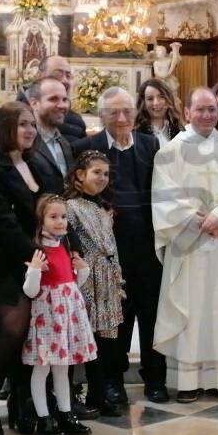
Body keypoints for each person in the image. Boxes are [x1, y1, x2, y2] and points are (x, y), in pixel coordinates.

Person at [151, 87, 218, 403]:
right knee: (192, 307)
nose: (207, 115)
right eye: (200, 109)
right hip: (189, 246)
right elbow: (164, 196)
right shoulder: (169, 153)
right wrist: (200, 222)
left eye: (212, 109)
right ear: (187, 112)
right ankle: (189, 381)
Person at [73, 87, 169, 404]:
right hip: (107, 253)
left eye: (127, 111)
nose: (122, 118)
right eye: (114, 112)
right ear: (102, 117)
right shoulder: (87, 147)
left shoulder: (149, 144)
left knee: (152, 314)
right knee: (115, 318)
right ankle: (112, 380)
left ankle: (155, 378)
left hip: (148, 247)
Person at [0, 102, 44, 435]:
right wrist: (35, 256)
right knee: (12, 331)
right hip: (6, 260)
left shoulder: (34, 163)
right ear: (4, 129)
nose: (30, 130)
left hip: (36, 261)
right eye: (22, 125)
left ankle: (20, 401)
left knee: (30, 333)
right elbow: (3, 222)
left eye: (32, 124)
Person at [22, 195, 96, 435]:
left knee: (63, 370)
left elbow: (73, 283)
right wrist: (33, 271)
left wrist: (82, 269)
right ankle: (44, 418)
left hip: (69, 316)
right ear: (41, 220)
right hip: (48, 318)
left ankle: (66, 413)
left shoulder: (65, 247)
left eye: (63, 217)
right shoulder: (39, 251)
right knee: (42, 369)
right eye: (53, 217)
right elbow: (31, 291)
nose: (60, 221)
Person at [65, 151, 127, 417]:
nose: (102, 178)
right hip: (85, 279)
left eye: (105, 173)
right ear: (80, 175)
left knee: (105, 340)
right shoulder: (71, 206)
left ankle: (98, 392)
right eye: (96, 173)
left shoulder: (102, 207)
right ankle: (72, 395)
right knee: (84, 336)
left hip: (106, 278)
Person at [27, 76, 75, 194]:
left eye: (64, 100)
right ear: (34, 104)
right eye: (53, 99)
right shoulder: (25, 142)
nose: (62, 105)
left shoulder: (64, 143)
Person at [24, 56, 88, 143]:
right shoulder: (15, 117)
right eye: (58, 74)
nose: (65, 80)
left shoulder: (77, 121)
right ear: (39, 76)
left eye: (68, 76)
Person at [136, 78, 184, 147]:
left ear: (168, 100)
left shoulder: (179, 130)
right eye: (150, 99)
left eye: (161, 97)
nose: (156, 103)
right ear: (143, 104)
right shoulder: (137, 135)